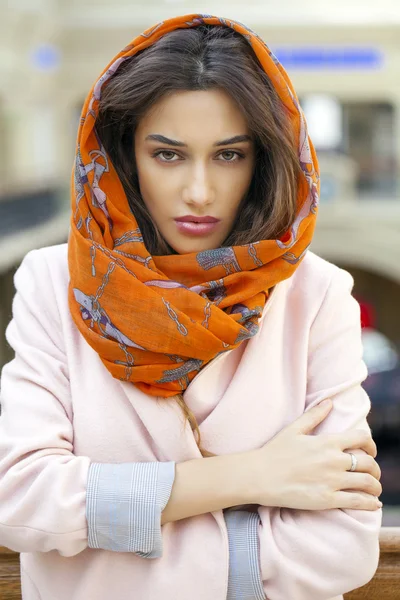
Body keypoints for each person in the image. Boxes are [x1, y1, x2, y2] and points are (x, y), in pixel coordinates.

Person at [0, 14, 383, 600]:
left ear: (264, 161)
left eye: (229, 156)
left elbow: (343, 547)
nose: (199, 191)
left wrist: (109, 539)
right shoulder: (56, 283)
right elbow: (23, 499)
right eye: (169, 156)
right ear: (125, 156)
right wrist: (250, 477)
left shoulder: (316, 295)